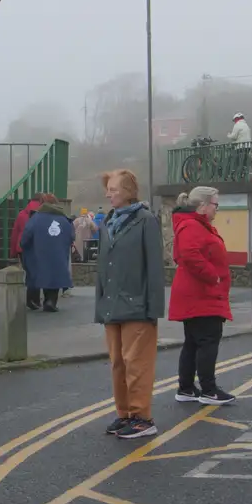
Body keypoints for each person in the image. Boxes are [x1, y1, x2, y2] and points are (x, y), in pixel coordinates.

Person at [94, 169, 166, 441]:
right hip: (112, 305)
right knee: (118, 364)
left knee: (137, 364)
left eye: (113, 189)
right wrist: (100, 306)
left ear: (128, 191)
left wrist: (153, 308)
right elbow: (103, 268)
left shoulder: (145, 221)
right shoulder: (108, 222)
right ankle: (124, 413)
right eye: (108, 189)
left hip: (138, 304)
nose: (108, 194)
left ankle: (142, 417)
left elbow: (154, 268)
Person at [168, 186, 236, 407]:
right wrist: (213, 277)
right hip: (201, 294)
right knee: (207, 341)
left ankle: (186, 388)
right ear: (203, 206)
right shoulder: (192, 225)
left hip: (197, 294)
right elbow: (188, 254)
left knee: (194, 342)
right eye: (215, 204)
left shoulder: (194, 225)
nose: (217, 209)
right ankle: (208, 389)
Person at [20, 195, 76, 311]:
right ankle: (50, 301)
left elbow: (26, 237)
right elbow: (72, 237)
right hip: (58, 255)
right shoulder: (65, 220)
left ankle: (32, 300)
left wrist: (24, 246)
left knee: (35, 275)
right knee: (54, 276)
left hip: (38, 254)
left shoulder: (36, 218)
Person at [10, 195, 45, 309]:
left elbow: (15, 233)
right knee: (37, 274)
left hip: (22, 248)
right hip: (37, 247)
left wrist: (13, 252)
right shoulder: (42, 214)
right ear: (41, 201)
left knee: (30, 273)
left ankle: (32, 299)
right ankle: (33, 299)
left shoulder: (21, 214)